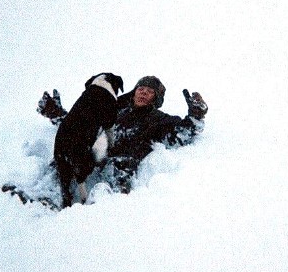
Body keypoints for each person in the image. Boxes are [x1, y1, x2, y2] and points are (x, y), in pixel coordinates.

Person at [38, 75, 208, 195]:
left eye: (149, 91)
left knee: (116, 171)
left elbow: (180, 135)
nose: (143, 92)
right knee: (64, 158)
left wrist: (196, 116)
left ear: (156, 99)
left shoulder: (158, 119)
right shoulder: (113, 108)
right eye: (140, 88)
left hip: (120, 165)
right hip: (94, 155)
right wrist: (57, 114)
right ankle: (45, 195)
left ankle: (106, 209)